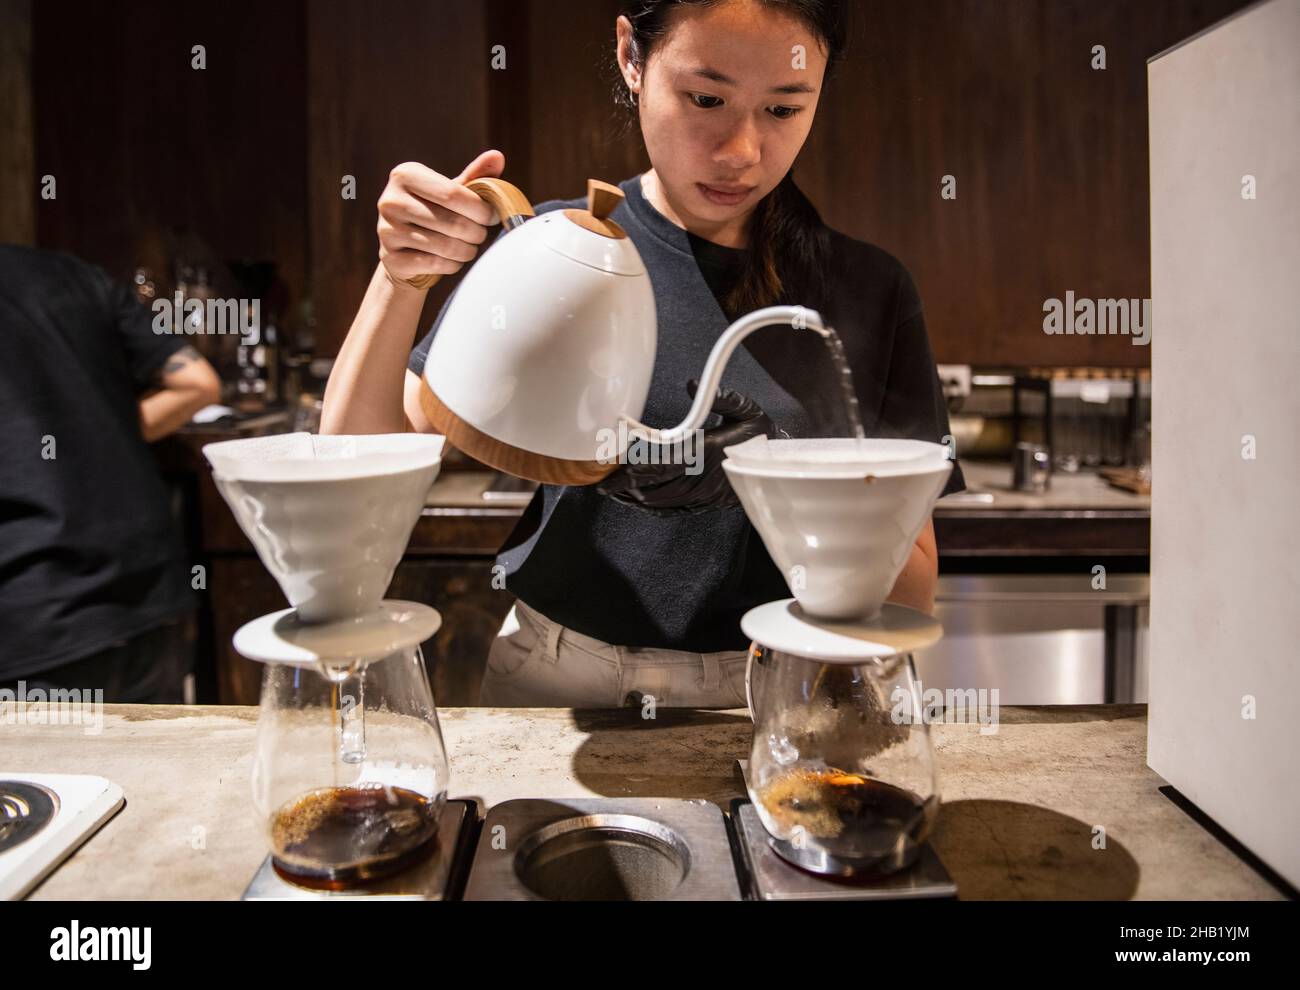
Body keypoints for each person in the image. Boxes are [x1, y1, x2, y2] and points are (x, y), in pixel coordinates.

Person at [322, 0, 965, 708]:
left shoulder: (867, 293)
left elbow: (910, 589)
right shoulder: (555, 251)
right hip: (565, 678)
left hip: (783, 688)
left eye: (784, 110)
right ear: (633, 57)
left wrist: (778, 485)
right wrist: (398, 277)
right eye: (707, 99)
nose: (742, 152)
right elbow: (353, 490)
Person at [0, 245, 221, 703]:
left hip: (32, 622)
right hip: (151, 597)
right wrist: (95, 429)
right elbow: (198, 383)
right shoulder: (73, 273)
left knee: (47, 778)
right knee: (152, 775)